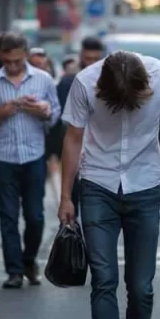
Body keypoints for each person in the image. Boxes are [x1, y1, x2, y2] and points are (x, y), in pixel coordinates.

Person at [58, 50, 160, 319]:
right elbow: (72, 137)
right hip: (98, 185)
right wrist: (66, 196)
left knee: (141, 286)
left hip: (145, 186)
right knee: (103, 279)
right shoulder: (85, 82)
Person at [0, 32, 60, 289]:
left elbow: (56, 114)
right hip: (5, 157)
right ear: (1, 57)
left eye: (17, 60)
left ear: (25, 54)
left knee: (35, 216)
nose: (12, 65)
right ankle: (13, 270)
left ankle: (29, 259)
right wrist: (1, 113)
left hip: (34, 155)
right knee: (8, 216)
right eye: (7, 61)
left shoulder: (43, 79)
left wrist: (44, 111)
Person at [55, 36, 106, 212]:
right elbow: (61, 119)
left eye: (96, 59)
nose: (91, 63)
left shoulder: (111, 82)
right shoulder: (69, 81)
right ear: (81, 56)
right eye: (88, 58)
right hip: (76, 145)